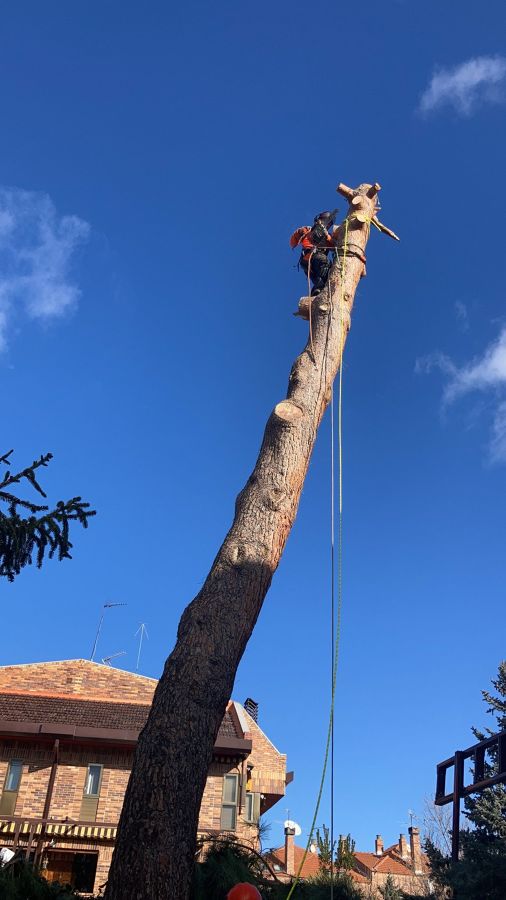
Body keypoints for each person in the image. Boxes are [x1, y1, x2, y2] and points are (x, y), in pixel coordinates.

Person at [290, 209, 337, 295]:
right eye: (323, 220)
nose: (325, 223)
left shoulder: (327, 236)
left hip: (311, 264)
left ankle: (316, 294)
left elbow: (334, 247)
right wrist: (300, 232)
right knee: (325, 263)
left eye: (328, 223)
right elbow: (292, 242)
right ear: (319, 219)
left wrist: (326, 236)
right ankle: (319, 288)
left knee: (323, 278)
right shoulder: (308, 230)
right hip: (311, 256)